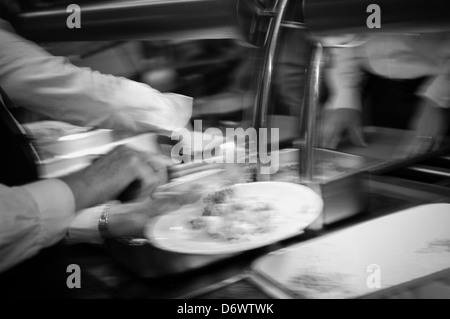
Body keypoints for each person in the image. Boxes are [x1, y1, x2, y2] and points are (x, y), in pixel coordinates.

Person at [319, 33, 450, 158]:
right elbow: (344, 32)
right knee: (388, 163)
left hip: (440, 84)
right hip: (381, 88)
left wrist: (437, 100)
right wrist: (345, 97)